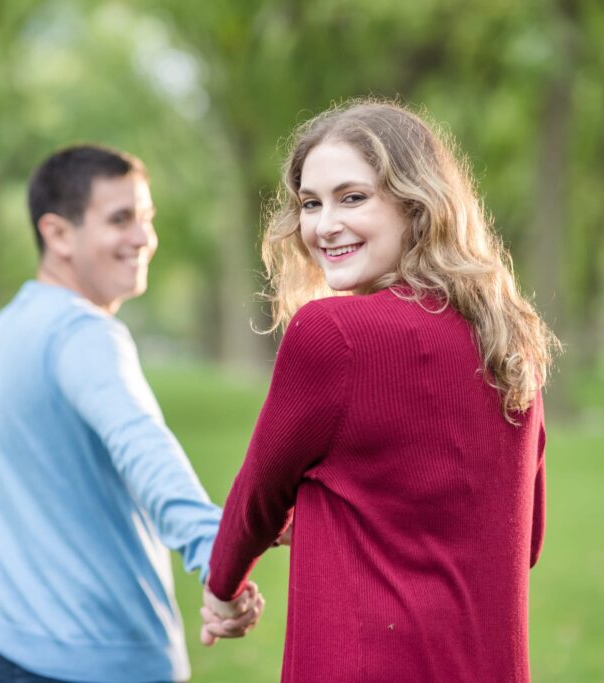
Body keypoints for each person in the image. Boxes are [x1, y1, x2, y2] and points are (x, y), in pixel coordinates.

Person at [201, 101, 558, 682]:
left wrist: (224, 590)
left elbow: (259, 493)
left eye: (352, 197)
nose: (323, 225)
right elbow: (525, 539)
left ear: (416, 204)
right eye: (310, 204)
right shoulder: (507, 333)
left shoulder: (331, 332)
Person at [0, 144, 262, 683]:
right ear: (58, 234)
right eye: (120, 219)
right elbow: (143, 446)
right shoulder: (83, 333)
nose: (144, 238)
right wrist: (221, 560)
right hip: (94, 663)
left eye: (147, 218)